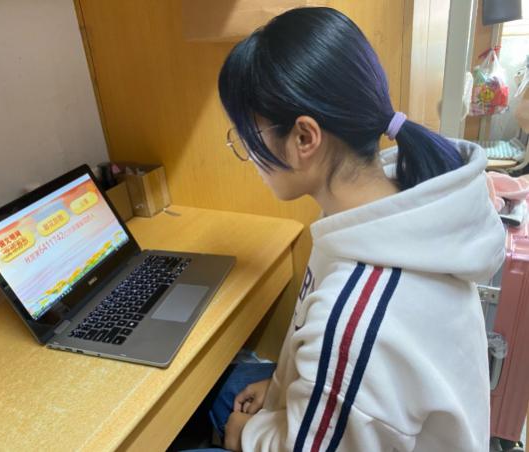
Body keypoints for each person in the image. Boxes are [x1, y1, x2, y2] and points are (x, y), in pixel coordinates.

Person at [191, 6, 505, 452]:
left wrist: (249, 435)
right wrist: (281, 388)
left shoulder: (355, 317)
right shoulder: (386, 212)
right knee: (231, 385)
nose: (249, 155)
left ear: (304, 138)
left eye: (249, 137)